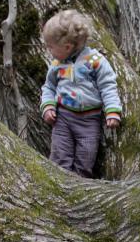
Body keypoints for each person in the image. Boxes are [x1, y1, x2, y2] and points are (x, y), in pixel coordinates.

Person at [40, 9, 122, 177]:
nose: (48, 50)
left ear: (67, 47)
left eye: (50, 47)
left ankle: (79, 188)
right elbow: (49, 87)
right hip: (62, 119)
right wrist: (48, 107)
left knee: (85, 160)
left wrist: (112, 110)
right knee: (59, 157)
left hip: (89, 122)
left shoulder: (94, 61)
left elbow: (107, 85)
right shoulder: (57, 64)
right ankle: (59, 184)